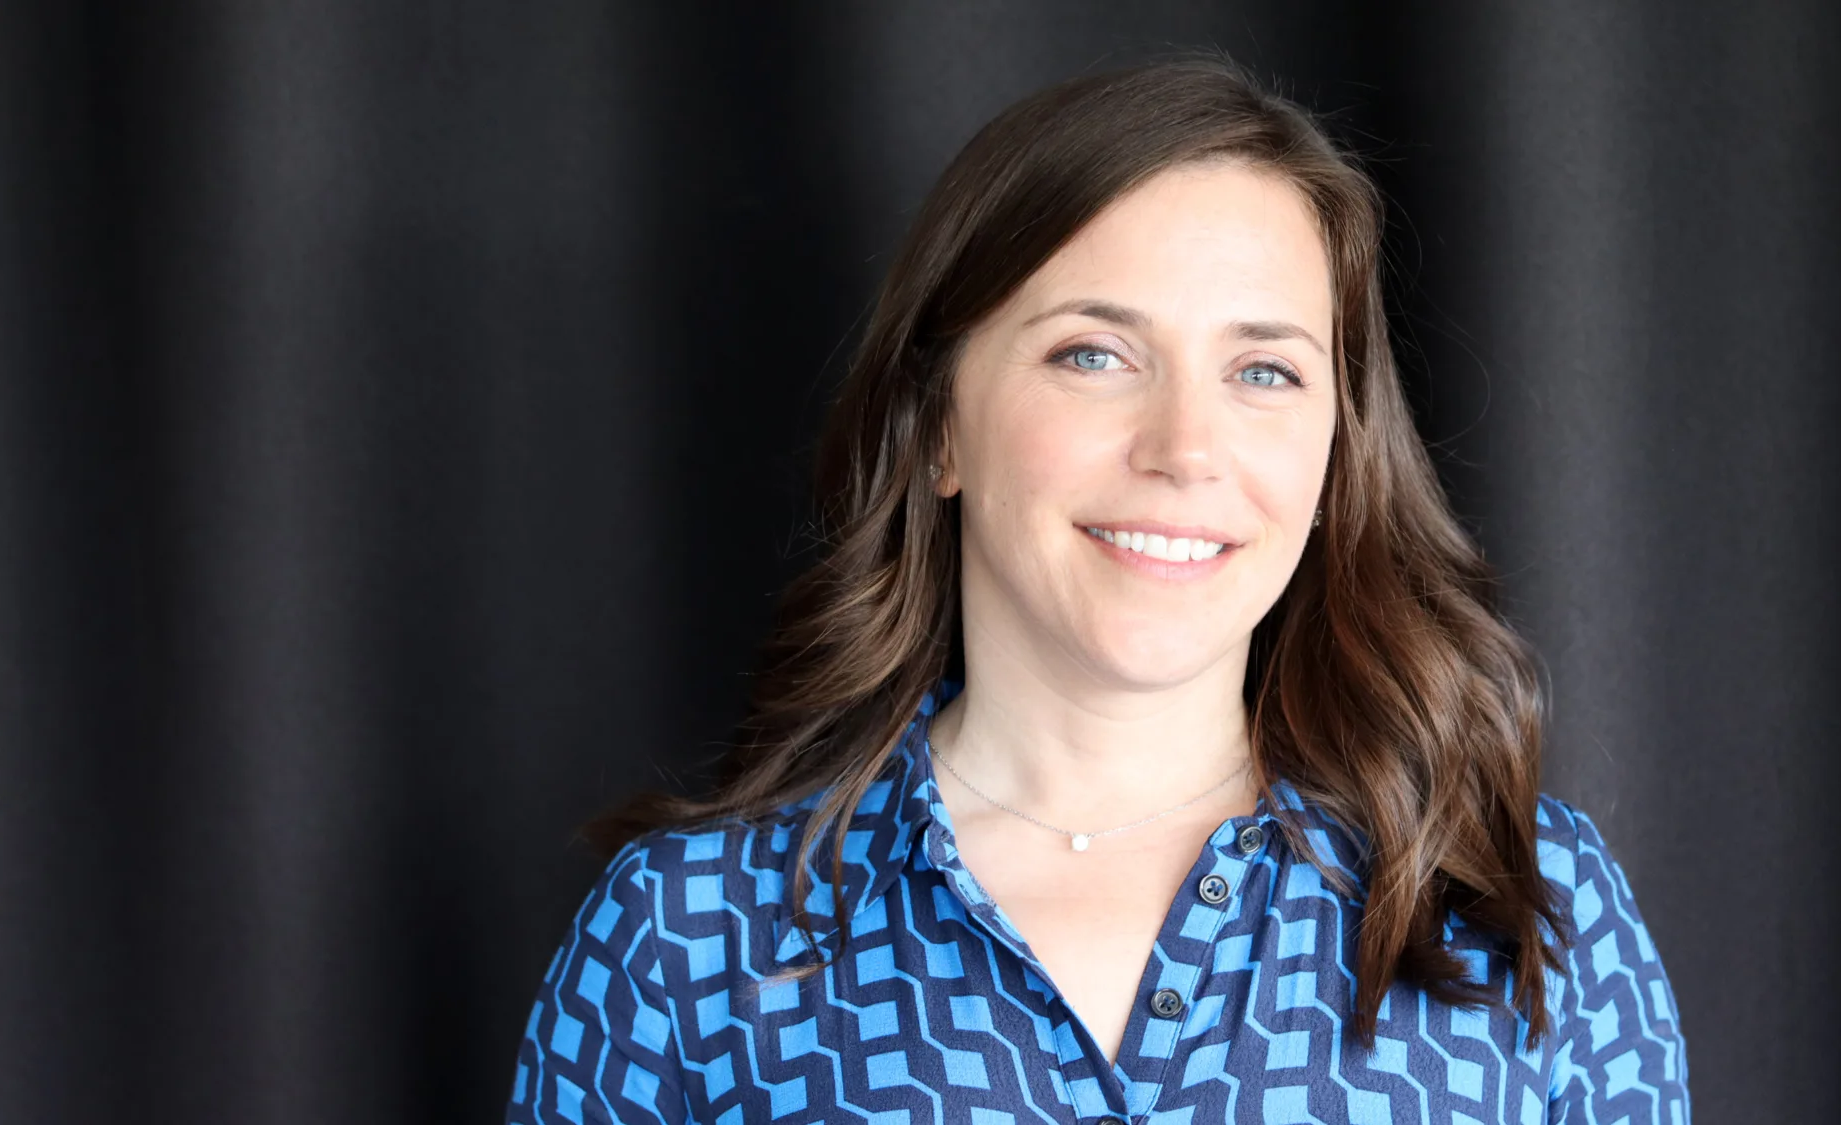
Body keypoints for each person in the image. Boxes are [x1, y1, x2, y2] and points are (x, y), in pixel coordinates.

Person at [504, 53, 1688, 1125]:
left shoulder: (1517, 909)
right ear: (936, 433)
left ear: (1337, 461)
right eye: (1094, 355)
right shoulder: (687, 939)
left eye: (1263, 371)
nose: (1184, 446)